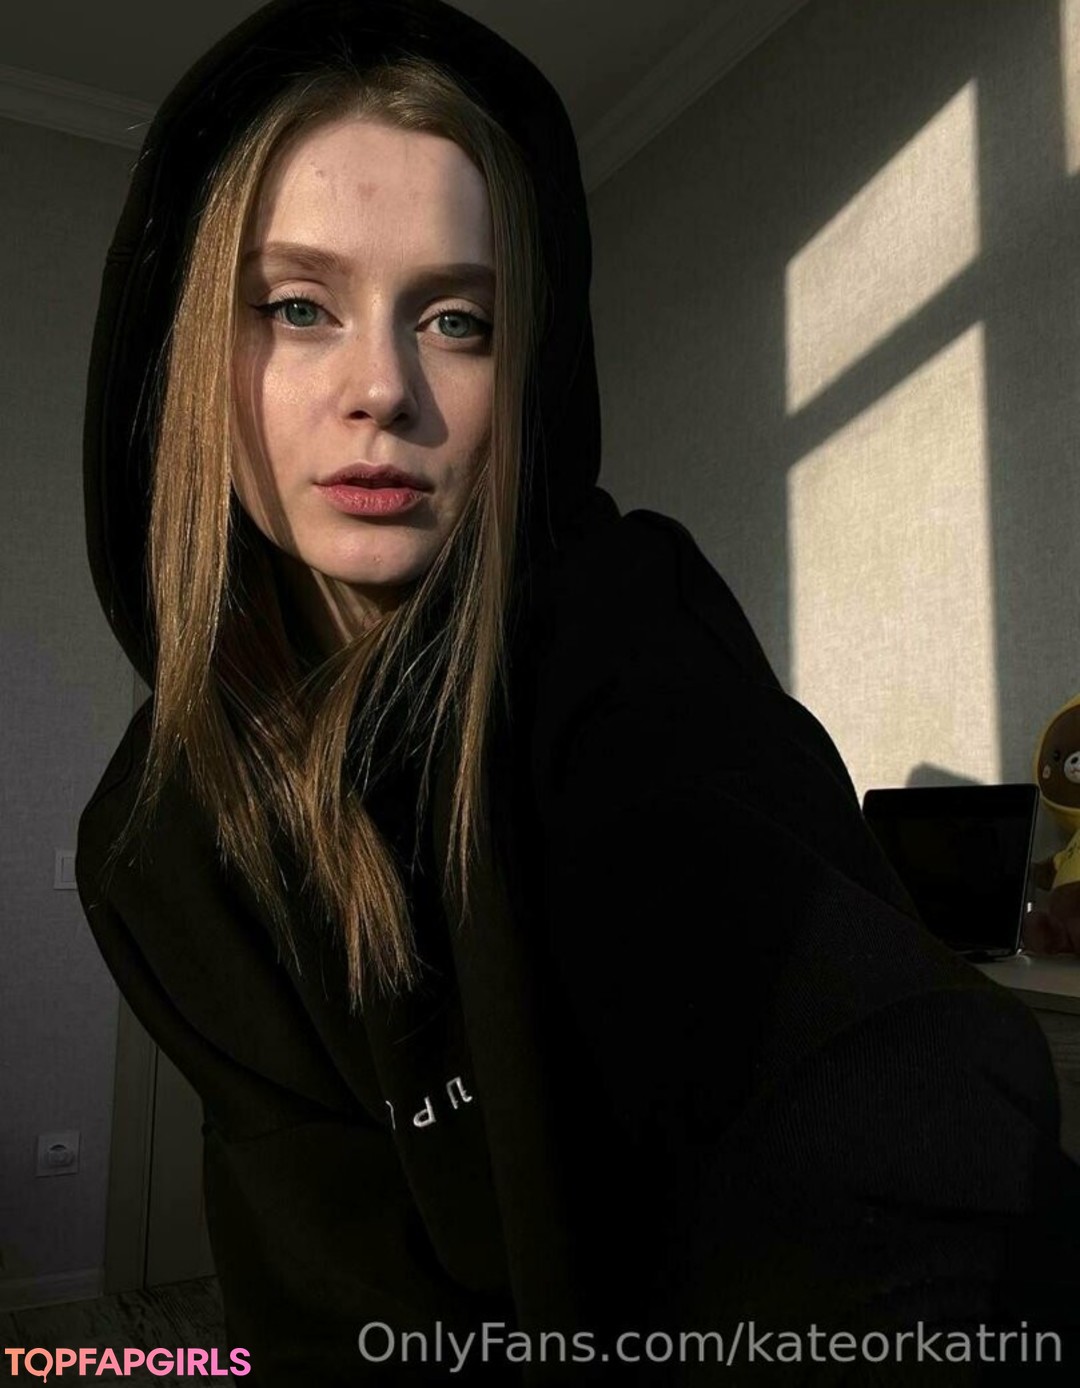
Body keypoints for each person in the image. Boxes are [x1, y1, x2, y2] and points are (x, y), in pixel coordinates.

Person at [76, 0, 1080, 1383]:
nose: (384, 389)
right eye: (299, 307)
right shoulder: (154, 838)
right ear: (194, 355)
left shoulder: (620, 640)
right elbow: (327, 1300)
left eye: (458, 320)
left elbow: (874, 1099)